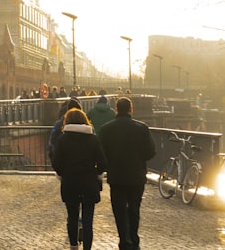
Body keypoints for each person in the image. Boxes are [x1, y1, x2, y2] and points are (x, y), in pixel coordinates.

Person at [99, 97, 155, 250]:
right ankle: (134, 239)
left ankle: (124, 240)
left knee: (119, 209)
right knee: (134, 208)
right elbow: (150, 152)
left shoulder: (106, 129)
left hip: (116, 176)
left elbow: (101, 153)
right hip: (136, 175)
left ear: (116, 109)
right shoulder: (142, 128)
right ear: (131, 109)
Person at [52, 108, 107, 250]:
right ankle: (87, 247)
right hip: (89, 183)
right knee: (88, 219)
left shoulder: (63, 140)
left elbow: (56, 163)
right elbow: (102, 162)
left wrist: (63, 173)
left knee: (72, 217)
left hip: (70, 183)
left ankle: (73, 246)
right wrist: (97, 174)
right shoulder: (93, 139)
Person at [48, 97, 82, 163]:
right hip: (82, 164)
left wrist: (55, 158)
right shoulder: (87, 126)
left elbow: (53, 140)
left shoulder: (59, 124)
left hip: (63, 161)